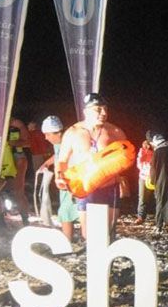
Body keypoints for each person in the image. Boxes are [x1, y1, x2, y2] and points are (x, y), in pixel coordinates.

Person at [55, 93, 128, 240]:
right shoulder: (73, 132)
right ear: (86, 111)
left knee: (108, 233)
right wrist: (59, 176)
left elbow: (125, 160)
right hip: (85, 188)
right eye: (98, 109)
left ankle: (107, 260)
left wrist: (124, 181)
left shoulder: (115, 132)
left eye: (106, 109)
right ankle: (93, 258)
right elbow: (62, 160)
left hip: (109, 187)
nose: (104, 113)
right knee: (88, 234)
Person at [0, 98, 32, 225]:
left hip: (17, 159)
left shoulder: (16, 123)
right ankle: (0, 221)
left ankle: (25, 219)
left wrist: (12, 143)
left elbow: (28, 142)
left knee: (18, 191)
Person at [37, 116, 78, 242]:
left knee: (65, 212)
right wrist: (46, 164)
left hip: (71, 183)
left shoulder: (68, 142)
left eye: (48, 134)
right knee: (66, 212)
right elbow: (57, 155)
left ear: (58, 133)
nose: (46, 138)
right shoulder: (57, 144)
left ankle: (67, 244)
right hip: (62, 184)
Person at [135, 139, 154, 224]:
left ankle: (161, 217)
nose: (147, 146)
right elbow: (139, 164)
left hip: (154, 177)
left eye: (149, 145)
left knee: (158, 197)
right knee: (142, 197)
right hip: (144, 177)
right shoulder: (142, 151)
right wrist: (144, 152)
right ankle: (141, 217)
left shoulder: (156, 152)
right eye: (145, 145)